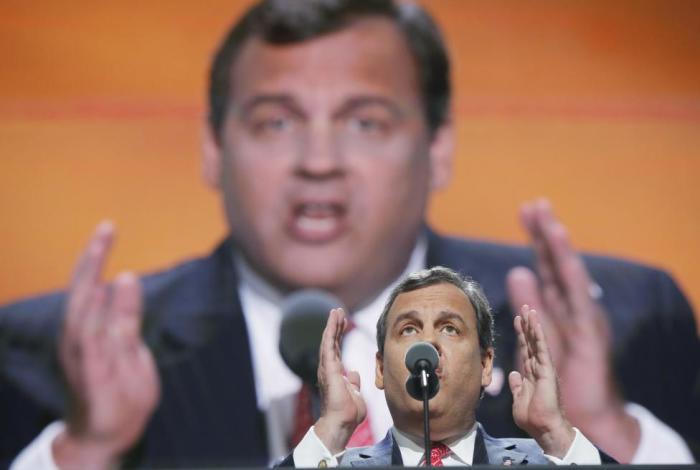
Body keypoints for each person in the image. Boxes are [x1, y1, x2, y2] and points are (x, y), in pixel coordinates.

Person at [1, 0, 697, 468]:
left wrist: (607, 428)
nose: (319, 161)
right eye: (276, 121)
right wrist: (85, 450)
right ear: (214, 148)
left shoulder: (625, 331)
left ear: (439, 147)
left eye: (366, 122)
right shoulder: (43, 358)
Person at [282, 267, 614, 466]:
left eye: (450, 328)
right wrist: (333, 429)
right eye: (408, 329)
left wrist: (555, 432)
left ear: (486, 365)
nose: (428, 344)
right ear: (380, 369)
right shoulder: (333, 465)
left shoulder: (549, 460)